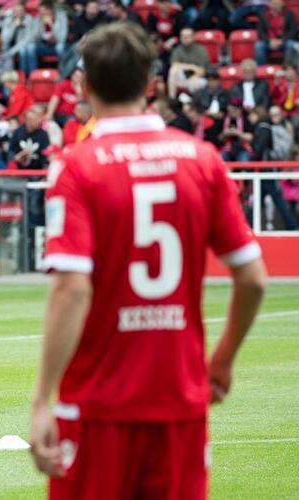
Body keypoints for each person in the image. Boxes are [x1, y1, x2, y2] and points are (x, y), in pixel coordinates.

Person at [30, 22, 267, 499]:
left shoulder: (75, 166)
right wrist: (219, 363)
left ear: (85, 86)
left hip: (97, 404)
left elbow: (73, 288)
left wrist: (40, 401)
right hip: (179, 399)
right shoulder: (201, 160)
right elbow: (254, 279)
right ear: (152, 85)